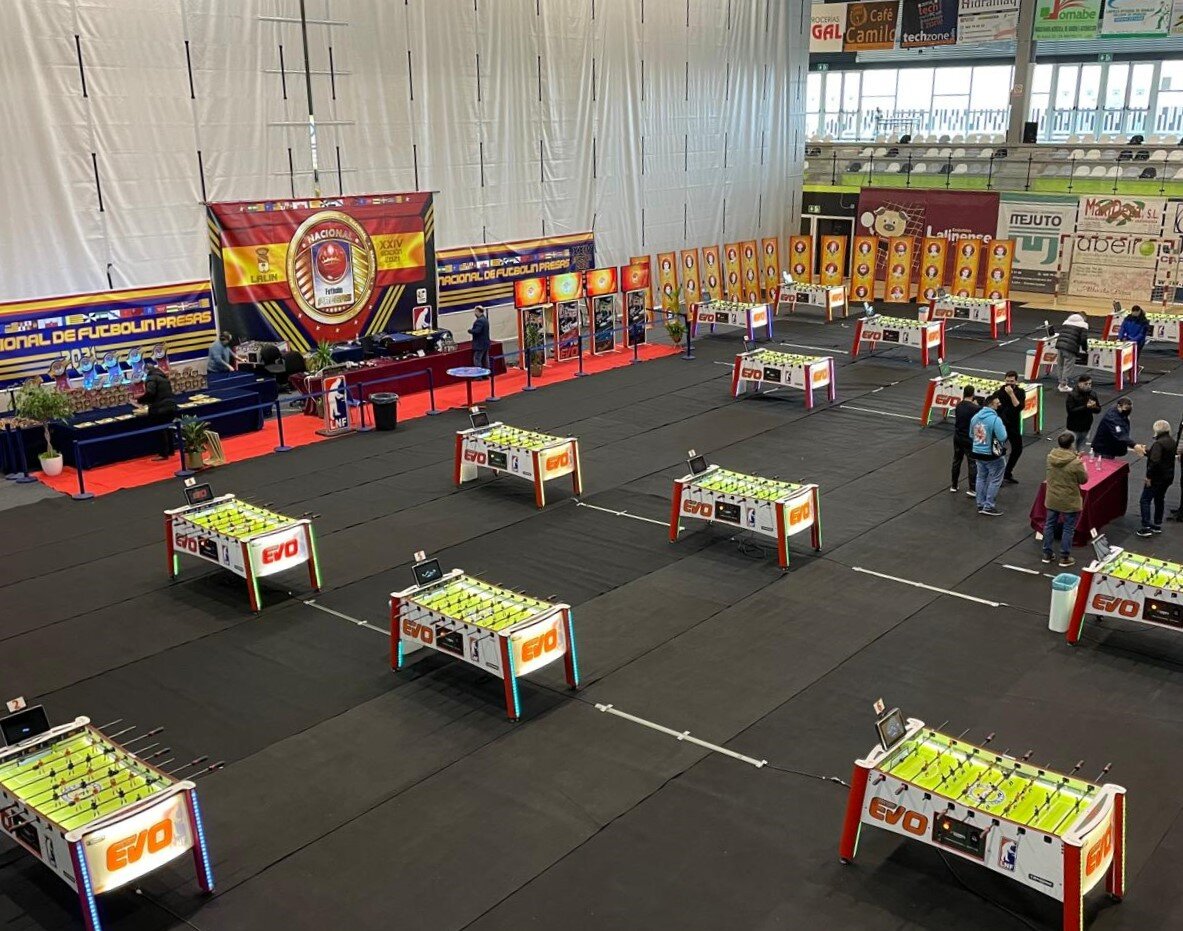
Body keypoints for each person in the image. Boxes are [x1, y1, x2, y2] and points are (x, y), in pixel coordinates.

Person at [1041, 432, 1088, 567]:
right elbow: (1083, 480)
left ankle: (1047, 553)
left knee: (1049, 525)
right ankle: (1064, 556)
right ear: (1072, 444)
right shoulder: (1075, 463)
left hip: (1052, 497)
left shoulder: (1050, 457)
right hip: (1069, 500)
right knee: (1068, 528)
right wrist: (1080, 463)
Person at [970, 394, 1009, 516]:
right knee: (995, 479)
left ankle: (980, 504)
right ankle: (989, 506)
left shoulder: (975, 417)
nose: (999, 405)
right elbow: (1003, 436)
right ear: (991, 404)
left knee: (980, 477)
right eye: (997, 403)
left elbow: (972, 435)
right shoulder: (995, 420)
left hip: (977, 452)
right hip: (992, 454)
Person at [1137, 420, 1178, 536]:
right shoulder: (1171, 441)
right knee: (1160, 499)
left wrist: (1148, 477)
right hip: (1168, 476)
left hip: (1156, 477)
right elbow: (1162, 456)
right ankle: (1157, 524)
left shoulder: (1158, 444)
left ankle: (1146, 526)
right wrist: (1146, 452)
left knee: (1145, 500)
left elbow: (1155, 461)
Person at [135, 357, 179, 460]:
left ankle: (163, 454)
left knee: (160, 430)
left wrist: (140, 400)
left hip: (159, 409)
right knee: (168, 429)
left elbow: (151, 392)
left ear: (146, 370)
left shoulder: (150, 378)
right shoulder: (163, 377)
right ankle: (171, 451)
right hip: (171, 406)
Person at [995, 371, 1026, 484]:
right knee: (997, 450)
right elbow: (996, 408)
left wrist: (1012, 394)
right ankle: (997, 475)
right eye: (1007, 381)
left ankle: (1007, 472)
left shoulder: (1020, 392)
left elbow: (1019, 407)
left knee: (1018, 449)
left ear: (1016, 381)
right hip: (1001, 425)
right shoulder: (998, 393)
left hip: (1014, 426)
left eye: (1011, 381)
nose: (1009, 383)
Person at [950, 384, 978, 496]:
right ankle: (972, 488)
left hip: (957, 436)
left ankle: (954, 485)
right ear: (973, 394)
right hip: (968, 438)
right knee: (972, 462)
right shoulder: (975, 408)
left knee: (956, 460)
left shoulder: (959, 405)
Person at [1064, 374, 1100, 453]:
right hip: (1073, 428)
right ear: (1079, 383)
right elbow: (1071, 411)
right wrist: (1086, 407)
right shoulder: (1072, 395)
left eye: (1090, 384)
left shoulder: (1092, 394)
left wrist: (1094, 407)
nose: (1088, 386)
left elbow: (1098, 410)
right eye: (1086, 384)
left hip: (1086, 428)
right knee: (1070, 452)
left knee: (1081, 451)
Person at [1054, 313, 1089, 393]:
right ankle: (1063, 385)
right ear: (1083, 318)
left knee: (1060, 365)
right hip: (1070, 347)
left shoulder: (1066, 322)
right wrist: (1085, 348)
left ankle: (1060, 383)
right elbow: (1083, 339)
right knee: (1068, 366)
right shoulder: (1084, 325)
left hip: (1060, 345)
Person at [468, 306, 490, 370]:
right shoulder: (485, 319)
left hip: (480, 344)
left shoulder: (479, 321)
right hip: (486, 343)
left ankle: (478, 375)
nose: (474, 313)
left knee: (477, 359)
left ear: (478, 311)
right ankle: (486, 374)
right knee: (485, 359)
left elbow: (477, 331)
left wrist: (470, 331)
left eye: (475, 312)